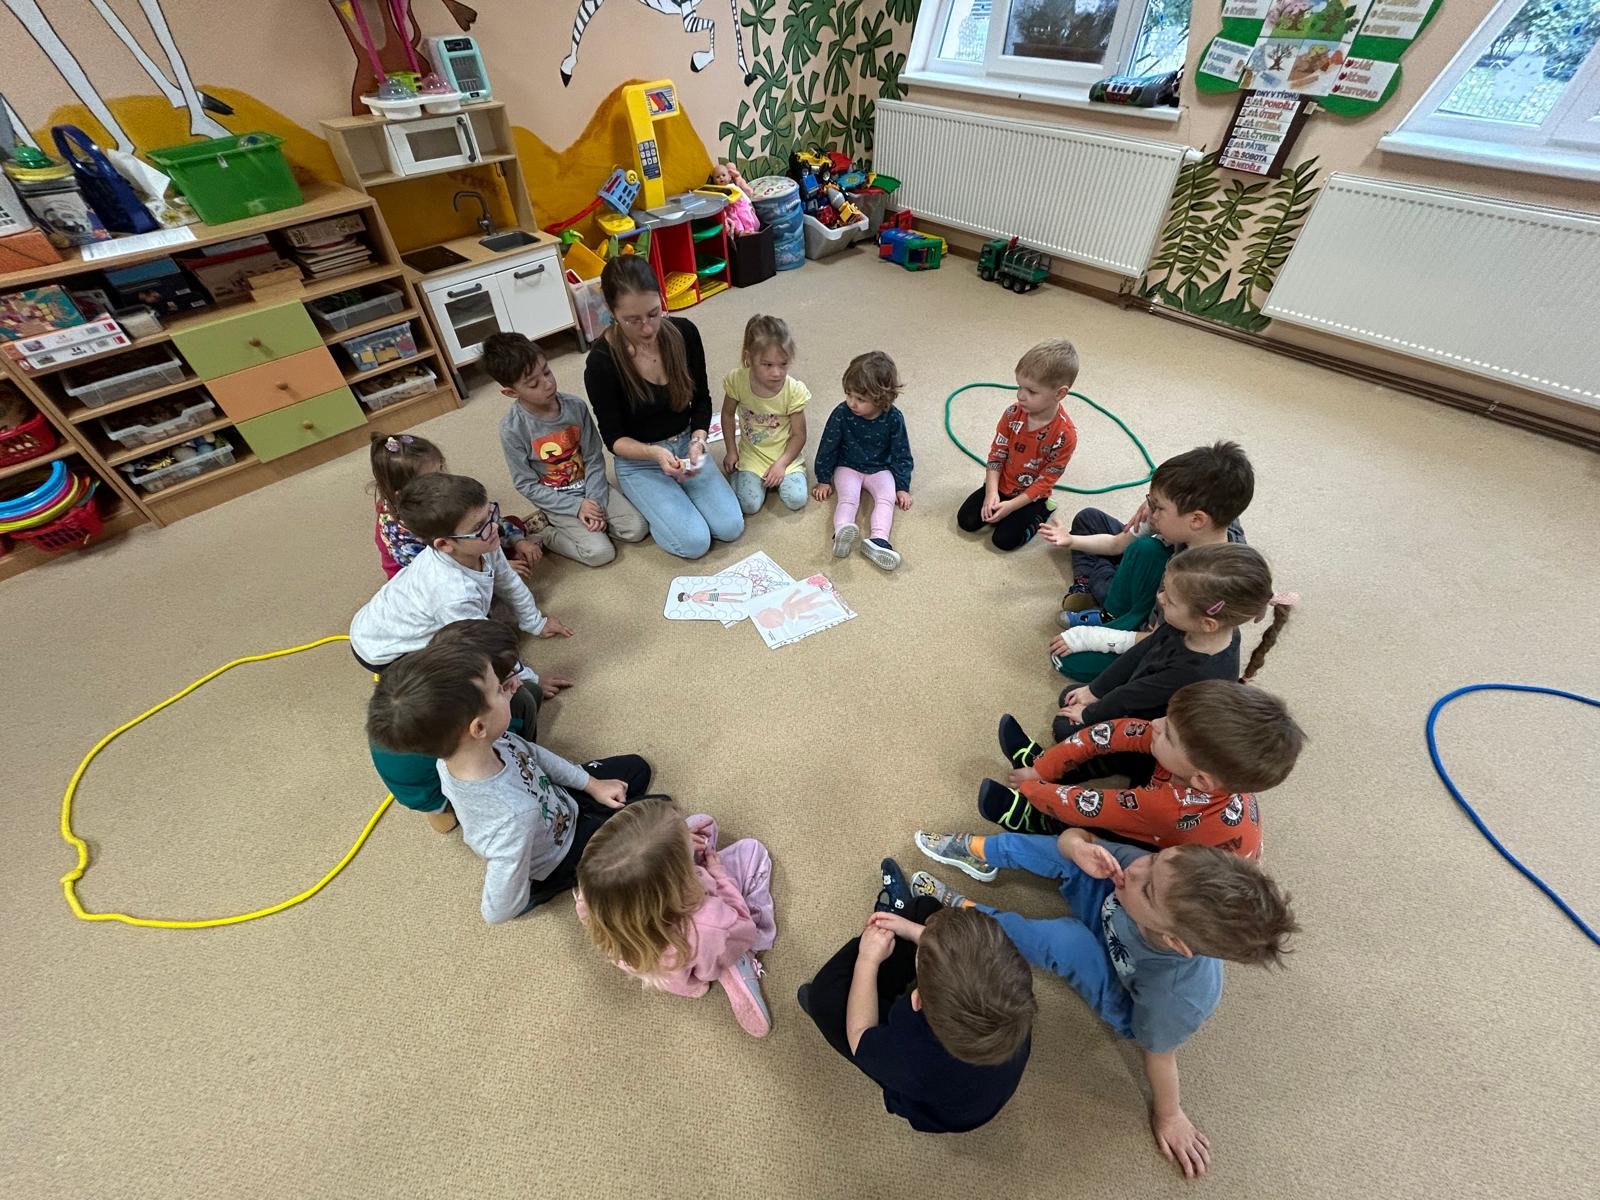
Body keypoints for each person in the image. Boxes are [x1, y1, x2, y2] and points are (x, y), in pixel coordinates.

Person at [910, 829, 1297, 1177]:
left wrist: (1170, 1115)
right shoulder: (1152, 875)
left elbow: (1160, 1053)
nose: (1137, 868)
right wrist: (1075, 846)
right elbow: (1079, 841)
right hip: (1110, 910)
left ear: (1175, 943)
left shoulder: (1177, 997)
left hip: (1123, 989)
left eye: (1148, 889)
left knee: (1065, 942)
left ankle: (969, 920)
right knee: (1068, 854)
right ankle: (981, 850)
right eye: (1156, 858)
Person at [366, 642, 652, 924]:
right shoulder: (514, 818)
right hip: (556, 852)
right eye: (499, 689)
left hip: (553, 802)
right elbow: (496, 911)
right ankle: (547, 884)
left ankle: (591, 816)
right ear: (478, 727)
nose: (512, 686)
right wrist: (519, 881)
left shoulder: (471, 748)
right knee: (656, 816)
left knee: (636, 769)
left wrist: (591, 784)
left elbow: (533, 755)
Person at [797, 860, 1035, 1133]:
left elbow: (859, 1038)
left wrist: (868, 960)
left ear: (916, 1000)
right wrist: (914, 931)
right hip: (970, 1077)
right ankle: (912, 925)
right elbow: (963, 960)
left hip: (925, 1098)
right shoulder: (1011, 999)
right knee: (925, 909)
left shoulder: (915, 1054)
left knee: (825, 1000)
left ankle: (839, 994)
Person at [981, 680, 1305, 855]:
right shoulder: (1191, 757)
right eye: (1168, 716)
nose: (1156, 723)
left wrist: (1031, 788)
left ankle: (1038, 821)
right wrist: (1044, 768)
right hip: (1180, 804)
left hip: (1185, 863)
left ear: (1201, 779)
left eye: (1169, 733)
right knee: (1135, 748)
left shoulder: (1167, 807)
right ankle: (1052, 768)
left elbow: (1086, 806)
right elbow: (1113, 732)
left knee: (1104, 841)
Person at [1042, 441, 1252, 681]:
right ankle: (1108, 605)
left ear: (1197, 520)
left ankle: (1099, 593)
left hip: (1157, 631)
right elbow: (1117, 543)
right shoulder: (1218, 521)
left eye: (1158, 507)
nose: (1152, 513)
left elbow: (1158, 639)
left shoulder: (1199, 587)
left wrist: (1093, 638)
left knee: (1067, 660)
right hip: (1153, 578)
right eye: (1151, 502)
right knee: (1091, 520)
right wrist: (1152, 503)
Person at [1045, 543, 1294, 743]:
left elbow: (1132, 697)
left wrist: (1089, 714)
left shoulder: (1195, 671)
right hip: (1141, 696)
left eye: (1171, 600)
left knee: (1065, 727)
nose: (1160, 598)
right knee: (1073, 695)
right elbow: (1139, 653)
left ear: (1207, 623)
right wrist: (1096, 690)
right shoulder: (1191, 626)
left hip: (1157, 727)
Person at [583, 255, 744, 560]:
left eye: (653, 313)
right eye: (632, 320)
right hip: (640, 459)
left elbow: (702, 400)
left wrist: (698, 440)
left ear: (661, 299)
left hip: (685, 443)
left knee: (730, 526)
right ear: (611, 312)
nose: (647, 328)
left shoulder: (684, 333)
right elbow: (614, 439)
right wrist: (656, 454)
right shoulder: (601, 363)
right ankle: (655, 504)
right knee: (694, 542)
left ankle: (671, 501)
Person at [575, 798, 776, 1036]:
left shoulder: (596, 899)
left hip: (667, 969)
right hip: (710, 942)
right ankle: (741, 958)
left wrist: (680, 841)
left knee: (701, 823)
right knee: (752, 851)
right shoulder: (710, 923)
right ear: (681, 881)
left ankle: (697, 983)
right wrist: (718, 874)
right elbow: (742, 925)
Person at [348, 473, 572, 673]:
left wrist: (535, 622)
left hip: (400, 616)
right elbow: (482, 646)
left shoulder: (486, 541)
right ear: (445, 544)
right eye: (478, 527)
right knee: (469, 677)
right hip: (385, 652)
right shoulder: (453, 594)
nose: (494, 528)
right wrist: (530, 680)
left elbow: (508, 581)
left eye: (490, 515)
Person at [367, 619, 571, 835]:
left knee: (528, 693)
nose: (517, 680)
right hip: (433, 792)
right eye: (500, 686)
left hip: (420, 779)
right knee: (525, 700)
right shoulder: (466, 734)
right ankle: (444, 808)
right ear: (478, 726)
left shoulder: (432, 693)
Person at [486, 332, 649, 567]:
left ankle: (594, 524)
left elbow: (593, 456)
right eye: (533, 383)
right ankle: (546, 534)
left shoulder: (575, 407)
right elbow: (525, 483)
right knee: (600, 553)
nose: (547, 383)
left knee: (637, 529)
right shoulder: (512, 429)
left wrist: (593, 502)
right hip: (558, 500)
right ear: (511, 392)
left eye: (546, 371)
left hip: (592, 488)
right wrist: (577, 507)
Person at [956, 339, 1079, 551]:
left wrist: (1012, 506)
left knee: (1004, 541)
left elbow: (1046, 480)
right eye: (1019, 386)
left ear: (1059, 393)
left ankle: (1044, 510)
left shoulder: (1065, 435)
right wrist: (991, 493)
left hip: (1031, 497)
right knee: (966, 521)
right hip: (1001, 484)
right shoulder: (1012, 413)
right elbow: (996, 455)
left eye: (1031, 391)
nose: (1020, 395)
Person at [368, 432, 543, 580]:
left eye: (441, 469)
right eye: (432, 479)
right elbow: (435, 575)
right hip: (429, 572)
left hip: (458, 542)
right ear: (404, 494)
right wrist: (497, 570)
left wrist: (517, 540)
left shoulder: (445, 492)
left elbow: (486, 520)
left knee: (508, 524)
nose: (443, 480)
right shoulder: (399, 532)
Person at [811, 351, 913, 571]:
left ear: (881, 398)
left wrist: (902, 486)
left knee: (886, 499)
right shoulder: (841, 413)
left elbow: (901, 452)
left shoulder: (894, 418)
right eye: (849, 395)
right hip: (847, 466)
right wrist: (824, 478)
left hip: (880, 469)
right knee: (848, 499)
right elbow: (828, 445)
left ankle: (879, 541)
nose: (852, 403)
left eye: (860, 399)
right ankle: (841, 532)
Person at [719, 314, 810, 515]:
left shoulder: (794, 390)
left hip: (785, 455)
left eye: (783, 364)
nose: (777, 373)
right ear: (749, 358)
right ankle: (740, 475)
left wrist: (781, 464)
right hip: (752, 455)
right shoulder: (737, 381)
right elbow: (727, 415)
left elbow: (799, 435)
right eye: (767, 365)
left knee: (796, 499)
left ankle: (779, 473)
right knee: (749, 505)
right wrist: (731, 451)